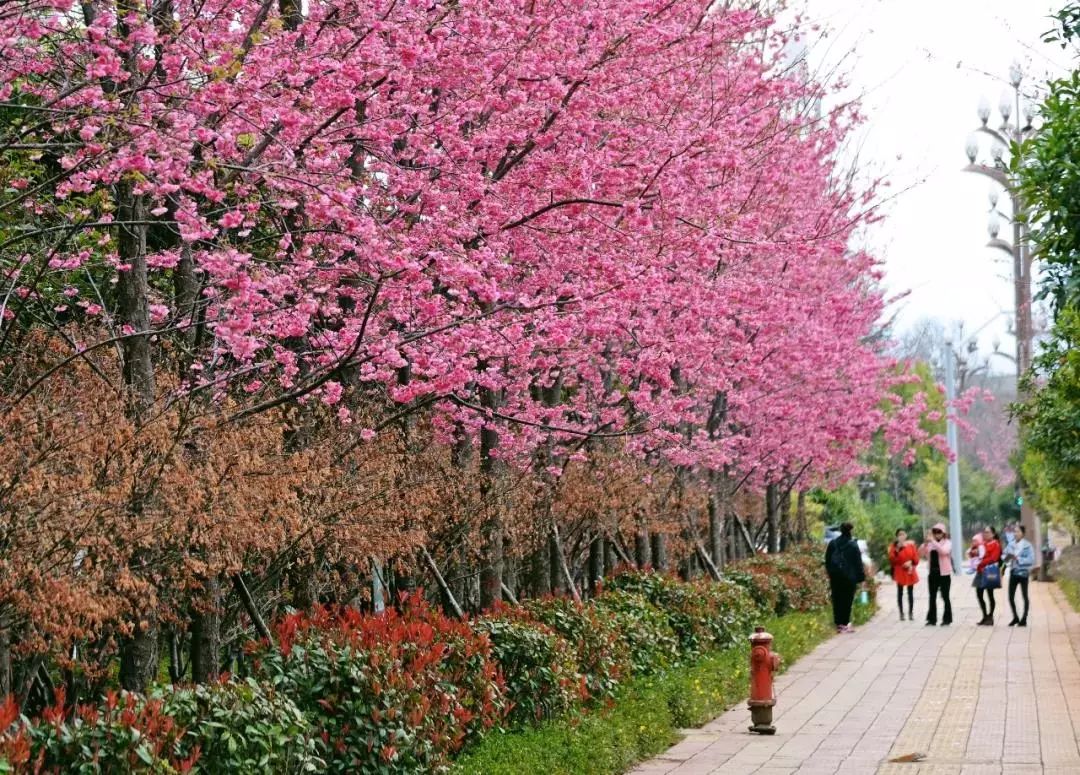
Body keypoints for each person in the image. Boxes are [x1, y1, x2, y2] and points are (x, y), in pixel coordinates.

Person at [824, 522, 865, 633]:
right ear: (850, 531)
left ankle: (838, 623)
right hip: (849, 578)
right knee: (847, 600)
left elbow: (827, 560)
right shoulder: (853, 545)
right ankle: (845, 624)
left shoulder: (833, 543)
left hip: (836, 576)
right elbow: (858, 563)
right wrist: (861, 578)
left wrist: (830, 573)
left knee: (837, 599)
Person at [919, 523, 953, 626]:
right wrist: (925, 543)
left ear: (943, 533)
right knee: (932, 596)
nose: (937, 534)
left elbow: (943, 552)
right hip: (933, 573)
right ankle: (931, 619)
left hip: (944, 574)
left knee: (945, 596)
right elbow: (920, 553)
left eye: (939, 532)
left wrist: (933, 542)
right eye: (934, 532)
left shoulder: (947, 543)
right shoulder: (929, 544)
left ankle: (947, 619)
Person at [1004, 524, 1035, 626]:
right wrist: (1008, 558)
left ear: (1023, 533)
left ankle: (1024, 619)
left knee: (1024, 596)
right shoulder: (1011, 544)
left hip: (1023, 573)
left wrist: (1018, 559)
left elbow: (1031, 560)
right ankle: (1015, 617)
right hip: (1013, 572)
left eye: (1018, 532)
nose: (1016, 534)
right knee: (1010, 596)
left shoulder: (1028, 545)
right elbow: (1005, 558)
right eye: (1015, 532)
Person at [888, 528, 919, 620]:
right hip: (900, 571)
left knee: (910, 592)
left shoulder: (911, 545)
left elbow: (916, 558)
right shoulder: (894, 546)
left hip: (909, 571)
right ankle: (901, 613)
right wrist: (898, 549)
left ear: (906, 535)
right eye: (900, 534)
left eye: (903, 534)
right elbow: (892, 559)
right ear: (897, 536)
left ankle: (911, 613)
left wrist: (911, 562)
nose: (902, 536)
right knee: (900, 592)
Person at [975, 526, 1002, 626]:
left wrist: (981, 563)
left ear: (993, 534)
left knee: (990, 595)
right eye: (985, 532)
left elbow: (993, 558)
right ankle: (985, 616)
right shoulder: (983, 544)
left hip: (989, 571)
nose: (986, 534)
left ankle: (990, 616)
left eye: (988, 532)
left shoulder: (996, 544)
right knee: (979, 594)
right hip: (980, 572)